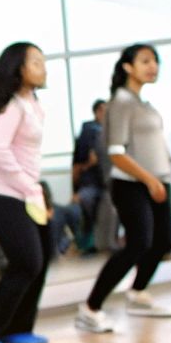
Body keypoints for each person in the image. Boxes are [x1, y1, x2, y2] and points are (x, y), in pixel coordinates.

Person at [78, 45, 171, 332]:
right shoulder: (120, 102)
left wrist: (160, 177)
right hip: (132, 183)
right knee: (138, 243)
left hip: (157, 180)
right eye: (145, 61)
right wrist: (149, 179)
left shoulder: (143, 104)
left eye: (155, 61)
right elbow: (116, 151)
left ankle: (137, 294)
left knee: (163, 241)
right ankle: (90, 307)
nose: (153, 66)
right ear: (127, 67)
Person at [0, 43, 53, 343]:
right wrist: (26, 184)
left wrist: (33, 188)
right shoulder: (13, 106)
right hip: (4, 195)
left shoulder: (34, 104)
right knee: (26, 263)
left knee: (40, 262)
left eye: (43, 62)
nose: (43, 67)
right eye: (36, 62)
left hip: (28, 193)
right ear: (19, 68)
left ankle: (19, 327)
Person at [70, 100, 106, 255]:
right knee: (85, 202)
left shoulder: (112, 131)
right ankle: (86, 243)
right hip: (90, 183)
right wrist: (75, 189)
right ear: (97, 112)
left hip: (108, 183)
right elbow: (77, 164)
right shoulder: (88, 131)